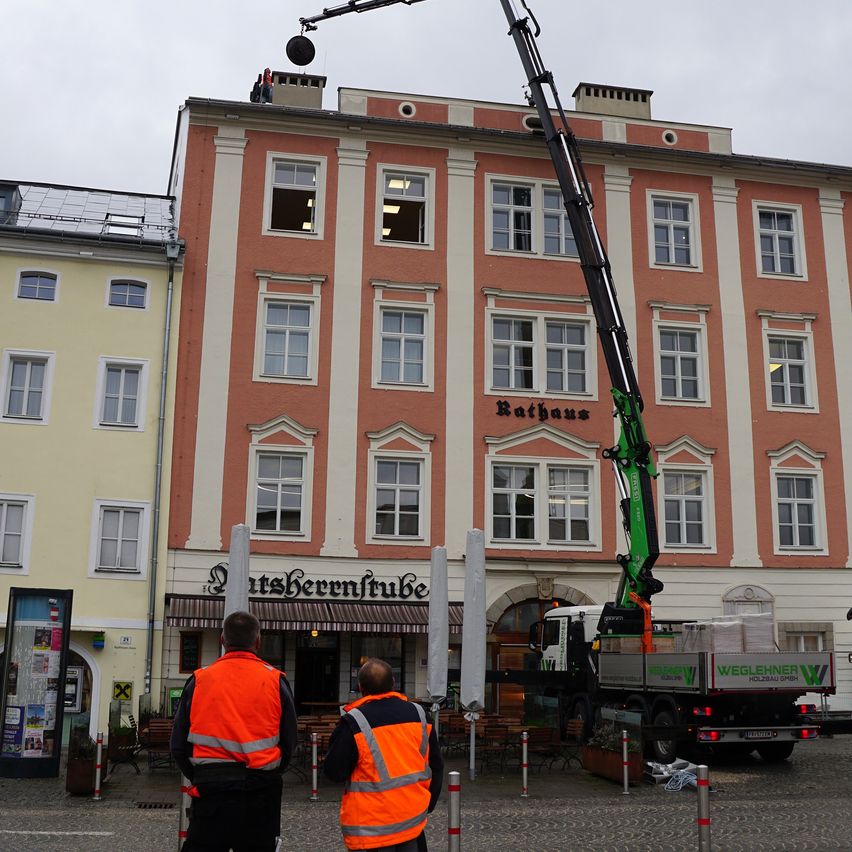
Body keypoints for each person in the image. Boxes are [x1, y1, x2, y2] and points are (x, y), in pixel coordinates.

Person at [171, 610, 297, 852]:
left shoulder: (199, 680)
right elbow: (289, 742)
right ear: (258, 642)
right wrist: (269, 771)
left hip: (211, 790)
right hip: (261, 790)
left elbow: (178, 746)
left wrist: (200, 774)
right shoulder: (275, 681)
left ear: (222, 640)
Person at [323, 658, 443, 852]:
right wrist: (428, 804)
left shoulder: (353, 723)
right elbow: (436, 765)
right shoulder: (420, 714)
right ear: (393, 684)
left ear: (360, 687)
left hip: (371, 829)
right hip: (411, 821)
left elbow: (333, 772)